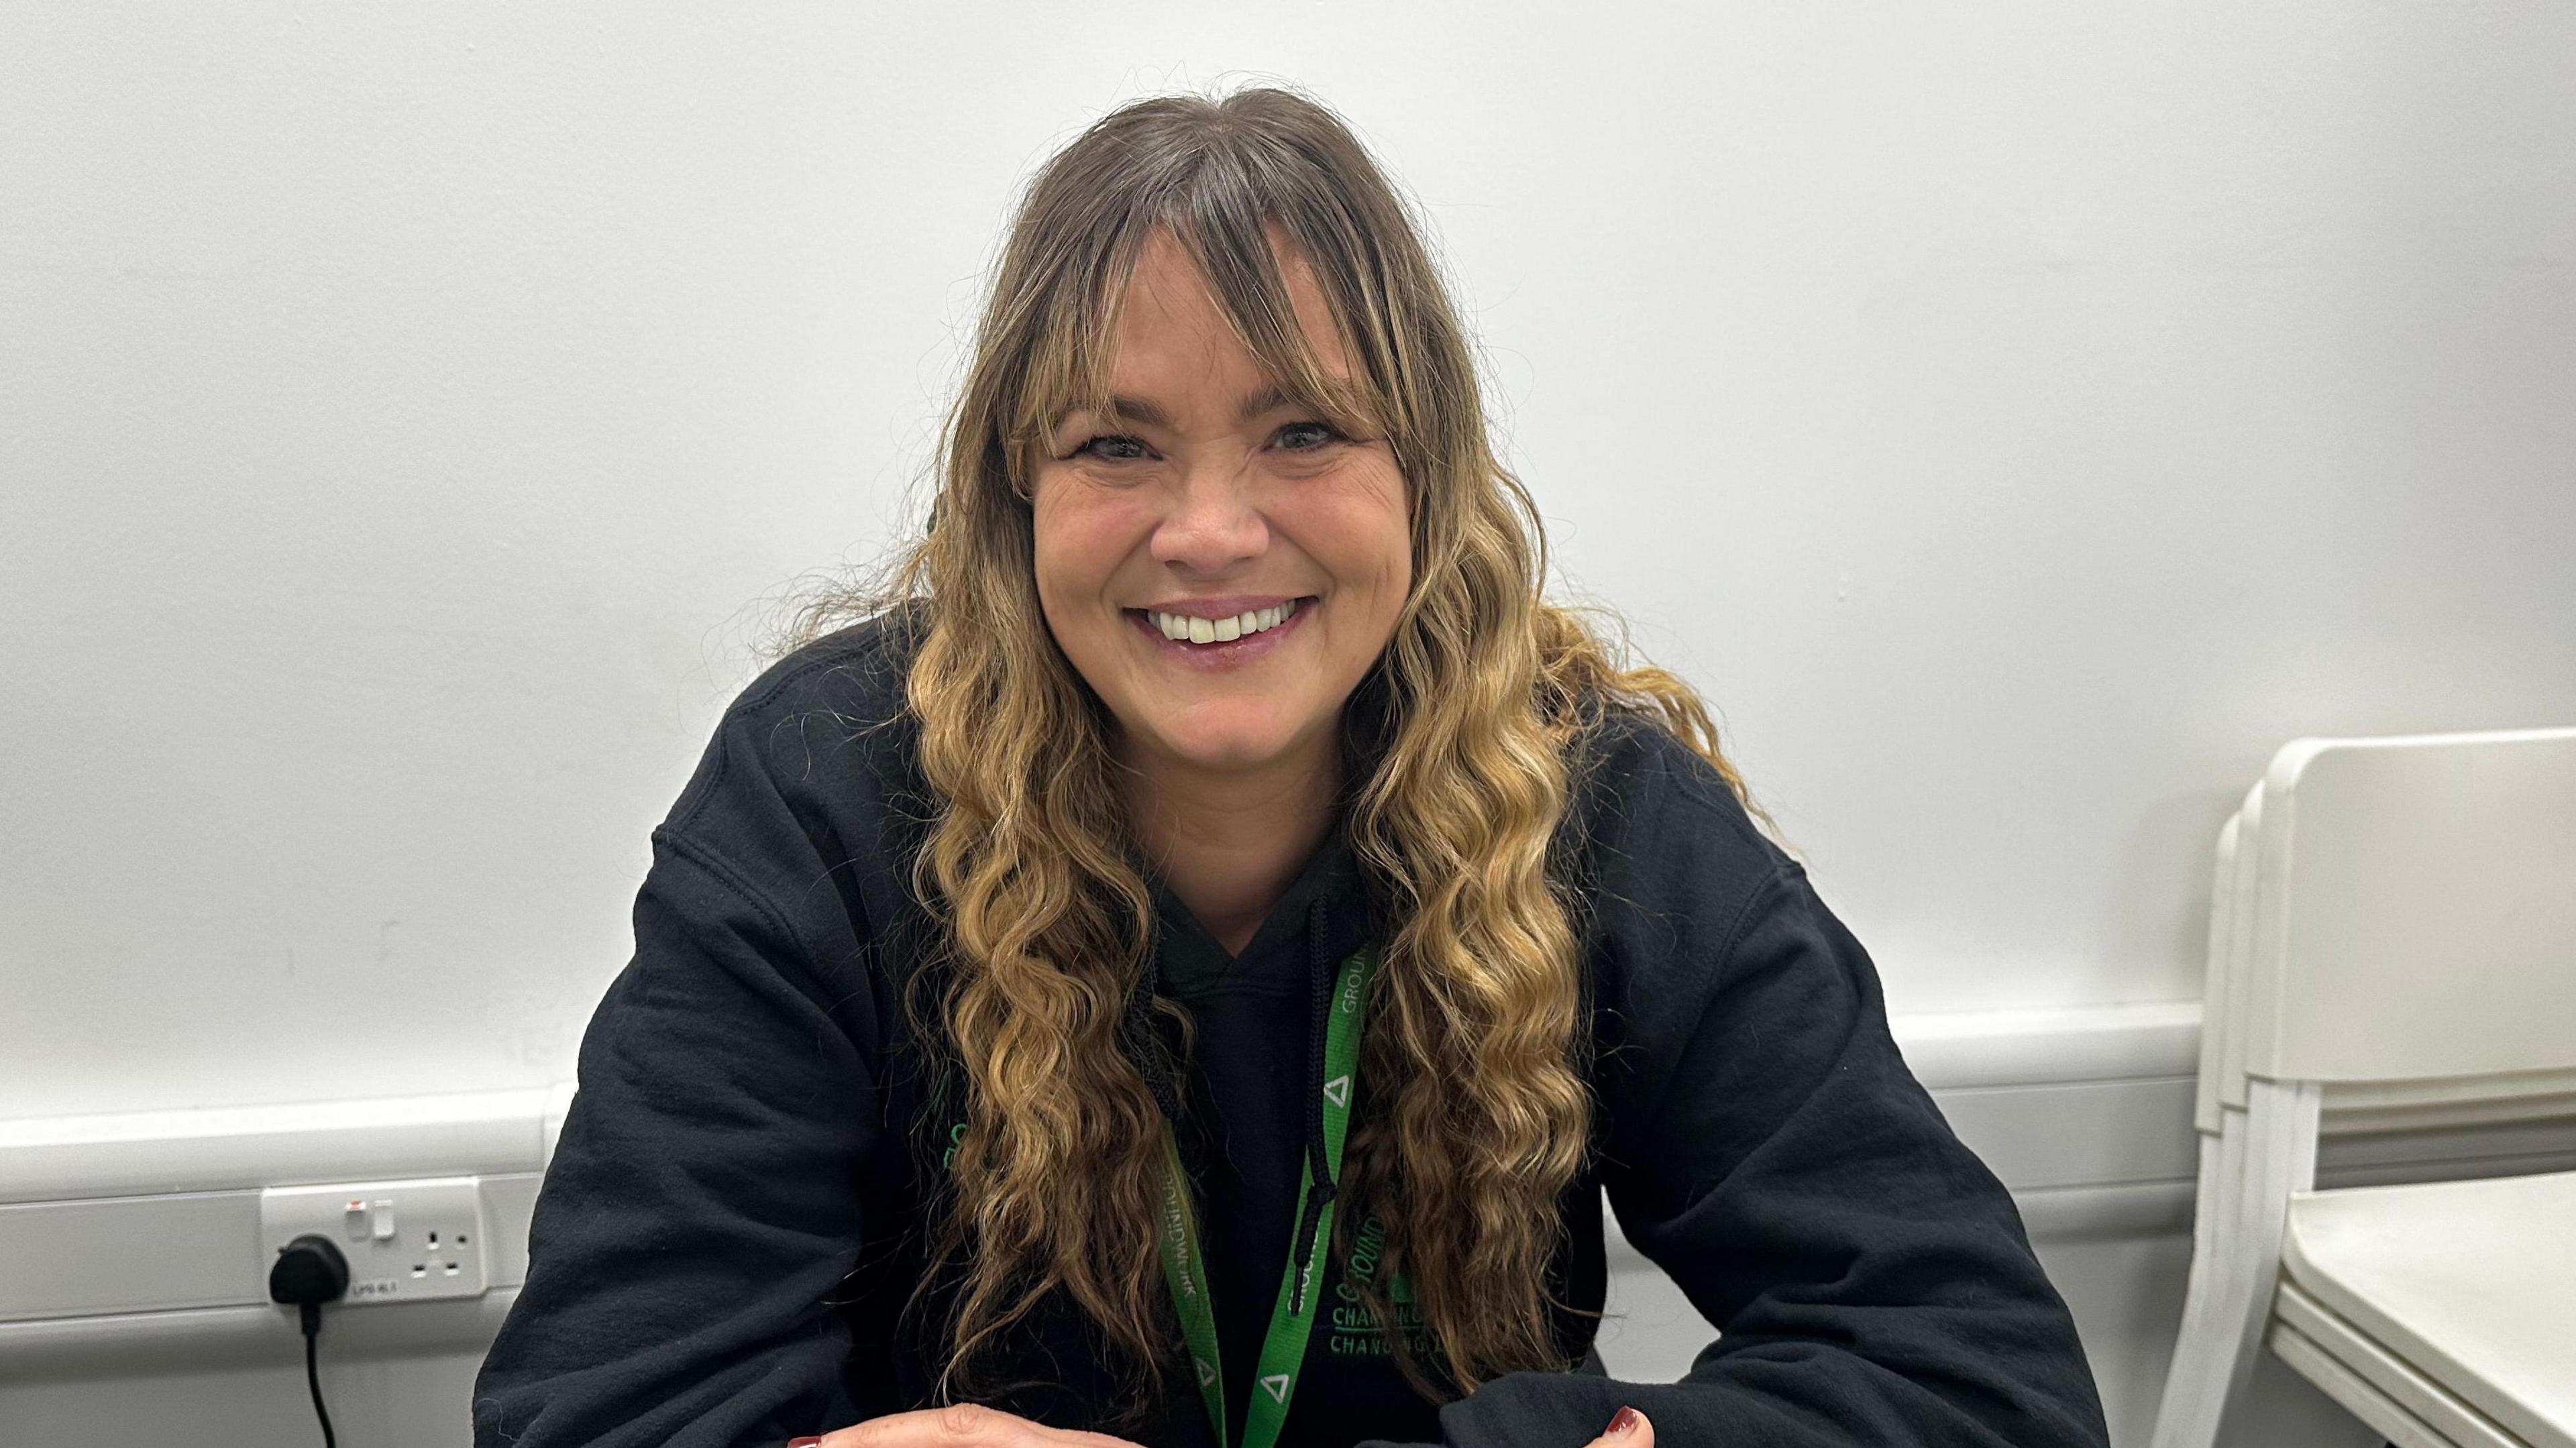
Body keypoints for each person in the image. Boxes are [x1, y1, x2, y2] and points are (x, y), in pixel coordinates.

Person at [470, 84, 2112, 1448]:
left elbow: (1982, 1379)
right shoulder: (825, 793)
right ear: (1011, 497)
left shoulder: (1592, 807)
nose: (1209, 532)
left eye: (1304, 431)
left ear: (1428, 470)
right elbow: (595, 1407)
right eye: (1116, 445)